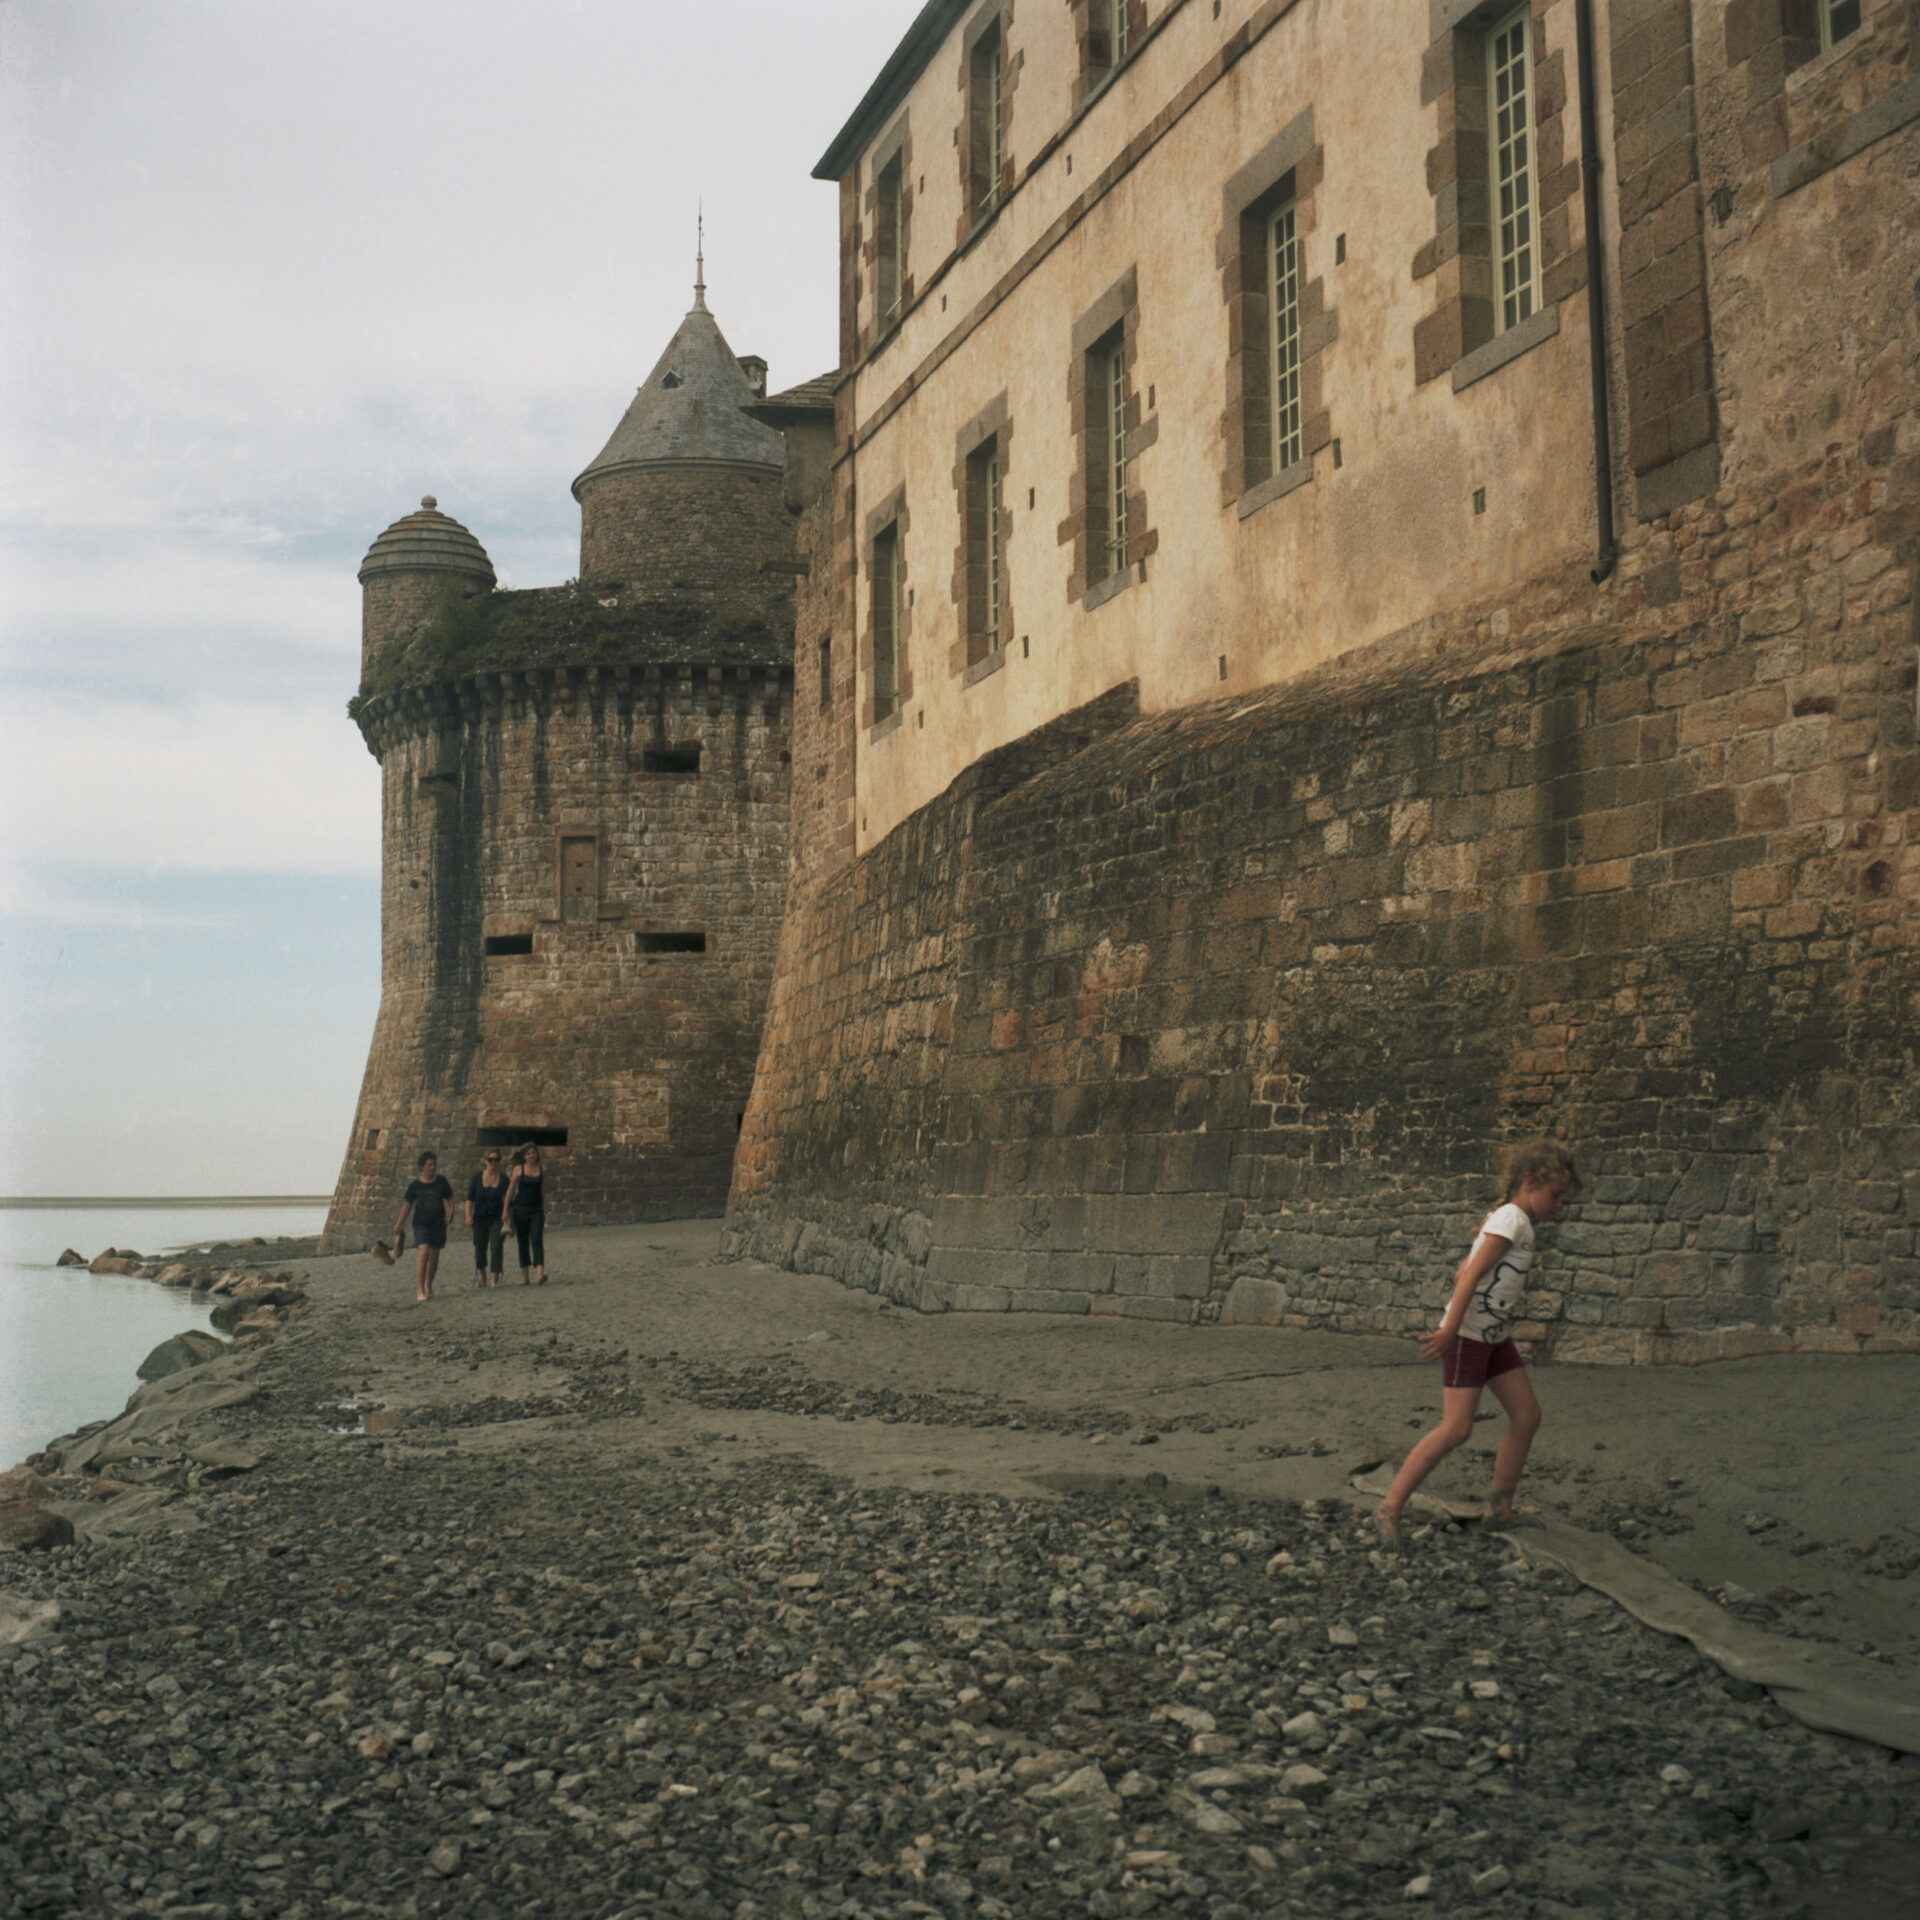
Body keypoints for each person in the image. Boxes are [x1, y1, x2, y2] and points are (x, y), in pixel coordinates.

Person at [1376, 1139, 1582, 1546]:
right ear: (1529, 1184)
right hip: (1469, 1337)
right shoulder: (1511, 1219)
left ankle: (1499, 1511)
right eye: (1556, 1195)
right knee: (1456, 1428)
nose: (1559, 1205)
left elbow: (1464, 1269)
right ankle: (1390, 1507)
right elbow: (1469, 1277)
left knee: (1527, 1415)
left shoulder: (1513, 1221)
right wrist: (1451, 1329)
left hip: (1493, 1338)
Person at [394, 1151, 454, 1304]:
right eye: (429, 1165)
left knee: (434, 1259)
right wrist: (399, 1223)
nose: (433, 1167)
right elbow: (407, 1205)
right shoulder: (415, 1186)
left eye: (434, 1164)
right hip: (421, 1224)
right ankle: (420, 1290)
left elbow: (450, 1198)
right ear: (422, 1167)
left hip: (438, 1224)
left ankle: (428, 1285)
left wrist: (451, 1211)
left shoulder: (441, 1181)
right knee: (423, 1253)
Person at [503, 1142, 549, 1286]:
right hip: (520, 1210)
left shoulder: (542, 1169)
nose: (531, 1156)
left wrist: (543, 1209)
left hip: (536, 1210)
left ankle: (539, 1273)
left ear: (537, 1154)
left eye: (533, 1153)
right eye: (528, 1154)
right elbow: (510, 1190)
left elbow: (542, 1191)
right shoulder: (518, 1170)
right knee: (522, 1242)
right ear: (524, 1156)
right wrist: (505, 1210)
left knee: (537, 1239)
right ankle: (525, 1276)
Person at [466, 1148, 508, 1289]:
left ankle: (495, 1278)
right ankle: (482, 1273)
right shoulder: (477, 1179)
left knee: (496, 1245)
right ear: (485, 1161)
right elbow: (469, 1199)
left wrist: (507, 1216)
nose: (493, 1162)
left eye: (496, 1160)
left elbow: (508, 1200)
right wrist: (468, 1216)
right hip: (480, 1217)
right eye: (490, 1160)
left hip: (496, 1217)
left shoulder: (504, 1180)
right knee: (480, 1247)